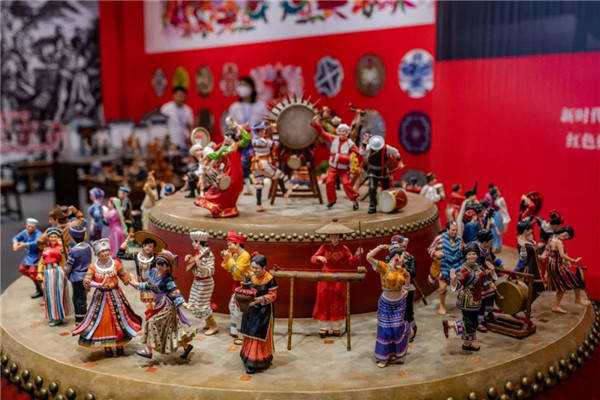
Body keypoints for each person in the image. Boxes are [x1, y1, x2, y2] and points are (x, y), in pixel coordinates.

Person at [71, 238, 142, 357]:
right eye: (101, 252)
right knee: (103, 321)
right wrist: (99, 285)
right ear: (97, 254)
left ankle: (119, 345)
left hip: (116, 295)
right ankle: (107, 346)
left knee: (119, 320)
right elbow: (86, 281)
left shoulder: (116, 264)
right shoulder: (93, 267)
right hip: (101, 297)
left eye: (106, 251)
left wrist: (135, 284)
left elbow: (125, 276)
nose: (104, 254)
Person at [134, 250, 195, 359]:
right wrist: (135, 284)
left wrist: (185, 305)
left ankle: (148, 351)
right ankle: (186, 347)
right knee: (172, 329)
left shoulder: (168, 279)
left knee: (152, 323)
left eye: (163, 265)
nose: (160, 266)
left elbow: (175, 292)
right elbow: (149, 285)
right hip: (158, 304)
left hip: (167, 306)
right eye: (158, 263)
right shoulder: (154, 272)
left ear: (168, 267)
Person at [312, 219, 362, 337]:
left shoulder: (344, 248)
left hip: (339, 278)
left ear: (340, 237)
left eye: (336, 236)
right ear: (329, 237)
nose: (334, 238)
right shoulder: (324, 247)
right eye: (332, 236)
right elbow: (313, 258)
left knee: (337, 301)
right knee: (323, 301)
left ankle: (336, 327)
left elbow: (351, 262)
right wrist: (319, 258)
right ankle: (323, 327)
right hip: (325, 277)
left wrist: (357, 254)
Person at [366, 244, 411, 368]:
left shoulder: (402, 270)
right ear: (396, 256)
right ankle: (384, 357)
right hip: (386, 304)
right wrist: (380, 248)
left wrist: (406, 289)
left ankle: (395, 350)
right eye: (403, 256)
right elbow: (368, 257)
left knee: (396, 329)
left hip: (399, 303)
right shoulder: (383, 267)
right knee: (385, 331)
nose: (404, 259)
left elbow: (408, 277)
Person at [195, 120, 251, 218]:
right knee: (219, 190)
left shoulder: (237, 146)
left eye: (226, 137)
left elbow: (247, 139)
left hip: (236, 173)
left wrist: (238, 127)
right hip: (227, 172)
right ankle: (221, 209)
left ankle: (230, 209)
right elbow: (215, 155)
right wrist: (204, 155)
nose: (224, 139)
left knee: (231, 190)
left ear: (230, 137)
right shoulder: (224, 148)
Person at [225, 77, 268, 195]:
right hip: (240, 144)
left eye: (245, 85)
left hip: (257, 144)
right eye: (240, 85)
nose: (242, 88)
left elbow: (266, 125)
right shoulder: (234, 107)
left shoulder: (261, 106)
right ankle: (241, 187)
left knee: (257, 168)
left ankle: (257, 188)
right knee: (240, 168)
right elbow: (230, 128)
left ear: (252, 88)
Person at [442, 242, 486, 352]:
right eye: (469, 254)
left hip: (476, 300)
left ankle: (467, 344)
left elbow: (483, 279)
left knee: (474, 323)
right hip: (467, 300)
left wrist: (490, 278)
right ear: (466, 256)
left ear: (477, 255)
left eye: (474, 254)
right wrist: (453, 279)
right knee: (469, 323)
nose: (471, 256)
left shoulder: (479, 267)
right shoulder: (464, 270)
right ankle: (450, 324)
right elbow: (458, 284)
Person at [311, 115, 361, 210]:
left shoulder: (350, 144)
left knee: (346, 184)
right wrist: (317, 124)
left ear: (347, 132)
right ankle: (331, 200)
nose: (342, 133)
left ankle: (354, 200)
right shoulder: (333, 138)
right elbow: (322, 133)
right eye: (340, 131)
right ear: (338, 132)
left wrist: (343, 158)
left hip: (344, 169)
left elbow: (357, 154)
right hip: (333, 167)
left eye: (344, 131)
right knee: (329, 182)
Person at [239, 253, 278, 374]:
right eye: (253, 267)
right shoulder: (250, 276)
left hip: (263, 311)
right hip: (250, 309)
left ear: (264, 267)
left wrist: (259, 300)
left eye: (257, 268)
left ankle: (256, 362)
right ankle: (247, 357)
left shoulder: (270, 279)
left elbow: (273, 295)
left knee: (258, 335)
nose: (254, 270)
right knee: (249, 333)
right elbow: (246, 289)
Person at [541, 226, 589, 313]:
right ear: (563, 231)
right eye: (566, 235)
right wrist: (574, 260)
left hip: (551, 265)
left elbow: (549, 252)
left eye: (567, 237)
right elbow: (562, 255)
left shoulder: (551, 238)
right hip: (557, 266)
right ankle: (576, 300)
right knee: (575, 281)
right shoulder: (558, 242)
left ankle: (557, 305)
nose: (565, 237)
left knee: (562, 286)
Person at [117, 231, 167, 310]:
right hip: (142, 285)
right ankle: (151, 316)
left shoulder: (156, 258)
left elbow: (164, 267)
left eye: (150, 246)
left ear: (153, 249)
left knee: (155, 304)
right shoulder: (136, 255)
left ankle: (154, 316)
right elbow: (120, 254)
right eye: (145, 245)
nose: (147, 248)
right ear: (142, 246)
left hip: (154, 284)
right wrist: (127, 241)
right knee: (148, 304)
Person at [251, 122, 291, 211]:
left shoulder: (253, 140)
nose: (264, 131)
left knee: (259, 184)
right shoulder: (263, 141)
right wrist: (275, 131)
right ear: (259, 132)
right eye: (263, 130)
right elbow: (275, 144)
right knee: (279, 174)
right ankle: (285, 191)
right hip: (264, 163)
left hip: (255, 164)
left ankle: (259, 205)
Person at [36, 228, 73, 326]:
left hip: (57, 272)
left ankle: (59, 316)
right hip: (47, 273)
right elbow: (41, 262)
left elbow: (66, 258)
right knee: (49, 295)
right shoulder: (45, 249)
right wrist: (39, 272)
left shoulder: (62, 248)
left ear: (58, 238)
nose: (53, 238)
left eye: (55, 237)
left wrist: (62, 246)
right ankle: (53, 315)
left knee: (57, 294)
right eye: (51, 237)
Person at [221, 230, 252, 343]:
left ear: (237, 244)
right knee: (232, 307)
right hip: (237, 285)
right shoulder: (235, 255)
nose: (228, 247)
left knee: (240, 311)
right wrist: (226, 259)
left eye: (230, 244)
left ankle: (242, 335)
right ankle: (234, 330)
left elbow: (237, 272)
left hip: (245, 286)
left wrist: (229, 259)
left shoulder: (245, 255)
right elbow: (228, 268)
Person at [185, 231, 219, 335]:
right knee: (196, 303)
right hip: (198, 281)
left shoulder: (208, 254)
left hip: (205, 283)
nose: (192, 244)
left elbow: (210, 271)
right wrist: (190, 258)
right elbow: (195, 263)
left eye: (194, 242)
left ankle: (213, 326)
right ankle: (208, 323)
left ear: (199, 242)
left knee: (202, 305)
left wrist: (199, 265)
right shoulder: (199, 253)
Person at [360, 134, 403, 214]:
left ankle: (387, 205)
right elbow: (361, 152)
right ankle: (372, 206)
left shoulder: (387, 148)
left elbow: (396, 153)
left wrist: (400, 162)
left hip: (383, 172)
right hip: (372, 171)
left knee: (386, 190)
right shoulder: (369, 147)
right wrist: (364, 141)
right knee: (372, 188)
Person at [427, 221, 464, 315]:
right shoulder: (439, 239)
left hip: (456, 266)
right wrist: (435, 253)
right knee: (442, 288)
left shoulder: (459, 239)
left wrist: (462, 249)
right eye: (452, 230)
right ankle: (442, 305)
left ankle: (461, 303)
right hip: (443, 267)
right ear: (447, 230)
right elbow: (430, 249)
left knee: (461, 287)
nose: (454, 232)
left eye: (456, 230)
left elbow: (463, 251)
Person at [391, 235, 418, 341]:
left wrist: (402, 267)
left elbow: (412, 273)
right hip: (393, 289)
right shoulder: (390, 258)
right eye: (399, 247)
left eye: (403, 247)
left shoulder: (410, 258)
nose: (401, 250)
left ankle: (411, 332)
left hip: (407, 288)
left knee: (407, 311)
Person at [475, 229, 502, 332]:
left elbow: (493, 257)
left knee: (491, 296)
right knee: (481, 301)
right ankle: (479, 321)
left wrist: (500, 263)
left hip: (489, 278)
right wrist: (487, 275)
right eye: (491, 240)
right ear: (485, 242)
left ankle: (490, 313)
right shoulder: (476, 252)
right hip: (480, 280)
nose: (493, 241)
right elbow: (478, 269)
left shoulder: (487, 248)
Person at [65, 225, 92, 323]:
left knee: (77, 298)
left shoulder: (73, 251)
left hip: (76, 277)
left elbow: (69, 266)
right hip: (87, 275)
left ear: (72, 236)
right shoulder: (88, 247)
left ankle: (80, 319)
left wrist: (65, 272)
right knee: (83, 297)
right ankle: (85, 315)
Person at [514, 219, 545, 301]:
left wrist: (538, 255)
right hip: (528, 268)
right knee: (528, 289)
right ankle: (525, 305)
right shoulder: (521, 241)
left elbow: (532, 251)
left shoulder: (528, 238)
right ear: (525, 230)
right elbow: (523, 258)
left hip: (534, 265)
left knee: (535, 290)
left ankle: (527, 304)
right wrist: (524, 248)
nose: (531, 230)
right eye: (529, 229)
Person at [12, 218, 43, 298]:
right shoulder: (25, 232)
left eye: (32, 227)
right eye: (28, 226)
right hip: (29, 255)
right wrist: (15, 243)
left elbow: (36, 243)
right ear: (26, 225)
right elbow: (16, 238)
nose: (30, 228)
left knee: (32, 272)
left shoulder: (38, 233)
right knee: (22, 269)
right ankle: (38, 281)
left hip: (37, 255)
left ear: (35, 227)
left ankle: (40, 289)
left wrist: (25, 244)